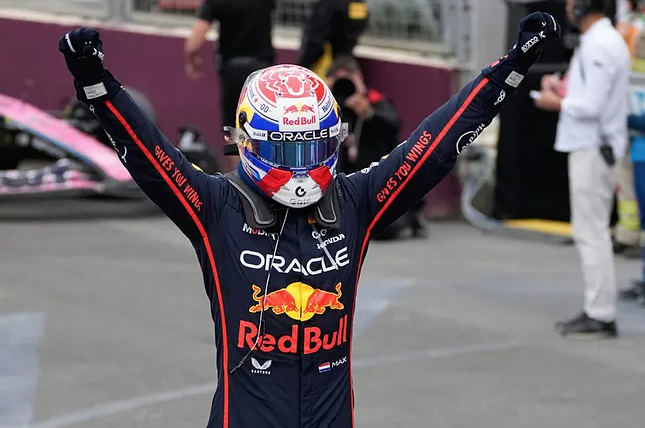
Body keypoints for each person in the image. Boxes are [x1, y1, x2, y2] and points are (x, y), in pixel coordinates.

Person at [57, 13, 560, 428]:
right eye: (286, 149)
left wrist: (510, 69)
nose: (301, 165)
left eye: (313, 147)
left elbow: (437, 143)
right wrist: (97, 85)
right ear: (247, 141)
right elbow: (150, 155)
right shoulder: (214, 205)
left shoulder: (356, 200)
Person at [535, 0, 631, 338]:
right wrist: (562, 89)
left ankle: (600, 312)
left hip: (592, 147)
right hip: (594, 145)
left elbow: (592, 105)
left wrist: (557, 102)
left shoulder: (599, 44)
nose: (567, 6)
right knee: (593, 232)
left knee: (592, 234)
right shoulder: (599, 41)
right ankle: (599, 310)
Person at [326, 55, 426, 238]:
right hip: (345, 180)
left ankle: (410, 216)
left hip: (378, 178)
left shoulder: (376, 102)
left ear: (359, 79)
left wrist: (369, 114)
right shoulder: (328, 109)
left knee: (386, 229)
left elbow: (394, 123)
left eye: (348, 81)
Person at [184, 0, 275, 129]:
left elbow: (194, 43)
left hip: (233, 70)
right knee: (264, 125)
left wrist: (193, 62)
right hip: (263, 71)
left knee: (234, 128)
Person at [613, 0, 644, 255]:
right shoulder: (628, 24)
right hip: (629, 106)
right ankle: (629, 232)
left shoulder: (632, 26)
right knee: (625, 176)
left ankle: (635, 234)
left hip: (635, 108)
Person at [296, 0, 369, 77]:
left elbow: (315, 38)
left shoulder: (329, 5)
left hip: (324, 61)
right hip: (345, 57)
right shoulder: (358, 4)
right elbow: (358, 27)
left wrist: (303, 67)